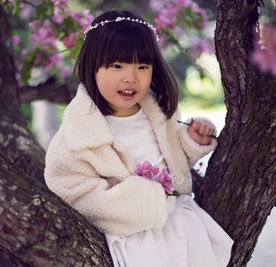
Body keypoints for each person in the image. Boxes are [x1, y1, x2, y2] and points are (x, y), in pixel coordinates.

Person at [44, 10, 233, 267]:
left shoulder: (157, 110)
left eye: (142, 66)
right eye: (117, 66)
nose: (130, 77)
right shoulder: (82, 129)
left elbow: (170, 158)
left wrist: (191, 141)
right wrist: (145, 199)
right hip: (132, 237)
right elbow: (71, 188)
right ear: (93, 66)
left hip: (181, 224)